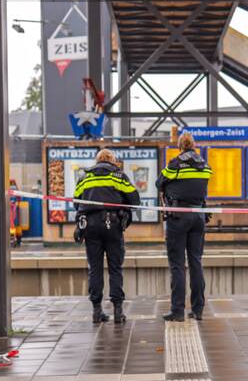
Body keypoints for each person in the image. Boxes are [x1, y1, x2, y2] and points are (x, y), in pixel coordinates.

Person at [74, 149, 141, 324]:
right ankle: (118, 312)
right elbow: (135, 200)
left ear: (97, 161)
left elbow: (76, 201)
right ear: (112, 160)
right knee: (115, 268)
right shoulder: (119, 176)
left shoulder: (85, 178)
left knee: (95, 269)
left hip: (91, 226)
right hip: (113, 225)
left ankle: (97, 311)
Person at [157, 133, 212, 322]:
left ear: (180, 146)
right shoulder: (204, 165)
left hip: (178, 216)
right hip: (198, 216)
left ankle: (177, 311)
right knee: (196, 262)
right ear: (194, 146)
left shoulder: (175, 164)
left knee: (177, 265)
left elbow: (159, 182)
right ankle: (198, 310)